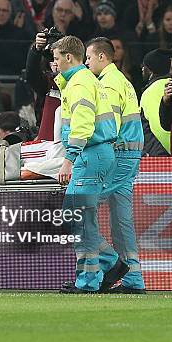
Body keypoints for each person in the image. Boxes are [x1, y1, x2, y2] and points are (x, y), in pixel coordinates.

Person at [52, 35, 119, 294]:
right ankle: (98, 274)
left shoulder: (80, 83)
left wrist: (69, 158)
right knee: (81, 220)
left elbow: (82, 123)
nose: (54, 64)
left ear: (69, 57)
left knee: (75, 218)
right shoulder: (82, 80)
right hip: (95, 153)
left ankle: (104, 268)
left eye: (57, 59)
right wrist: (60, 76)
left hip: (88, 154)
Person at [84, 37, 146, 294]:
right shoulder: (122, 80)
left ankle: (109, 266)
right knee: (121, 219)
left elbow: (110, 127)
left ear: (102, 57)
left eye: (88, 57)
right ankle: (133, 278)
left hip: (118, 154)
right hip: (130, 154)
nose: (86, 63)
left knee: (81, 209)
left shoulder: (107, 84)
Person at [140, 48, 172, 156]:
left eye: (144, 66)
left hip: (162, 153)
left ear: (150, 69)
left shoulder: (151, 92)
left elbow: (158, 127)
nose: (142, 69)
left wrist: (171, 151)